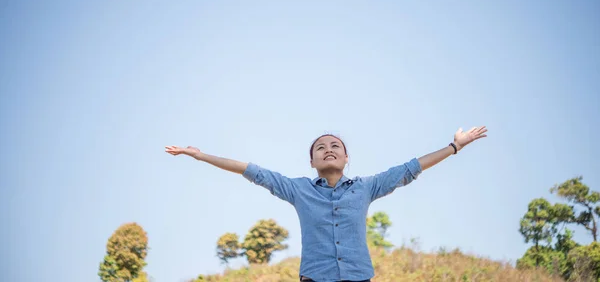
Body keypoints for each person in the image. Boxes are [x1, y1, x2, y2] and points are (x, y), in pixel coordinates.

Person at [165, 126, 487, 282]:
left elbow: (410, 169)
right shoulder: (298, 189)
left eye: (335, 146)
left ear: (347, 158)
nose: (328, 149)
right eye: (321, 147)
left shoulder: (366, 187)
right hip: (315, 279)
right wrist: (200, 155)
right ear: (312, 161)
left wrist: (454, 147)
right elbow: (253, 171)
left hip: (359, 277)